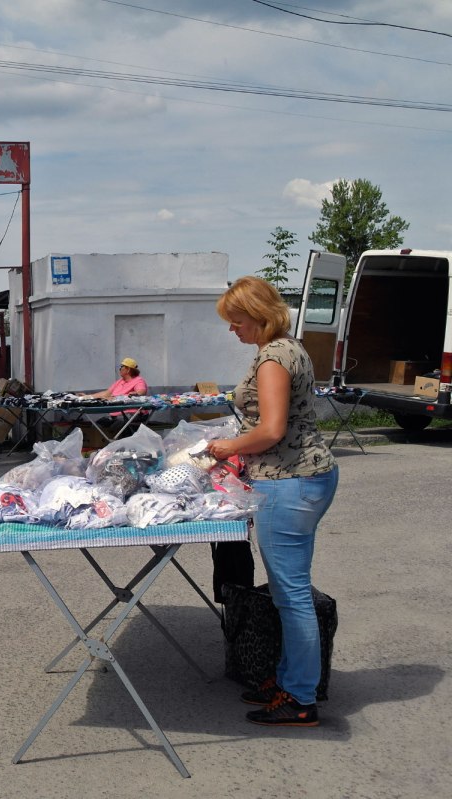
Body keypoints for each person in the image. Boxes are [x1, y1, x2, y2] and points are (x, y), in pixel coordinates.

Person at [207, 276, 338, 727]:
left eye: (236, 320)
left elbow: (271, 431)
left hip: (289, 480)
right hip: (298, 477)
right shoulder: (288, 347)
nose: (233, 329)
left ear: (259, 315)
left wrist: (227, 448)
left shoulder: (272, 359)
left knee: (292, 594)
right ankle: (288, 680)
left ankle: (300, 697)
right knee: (288, 590)